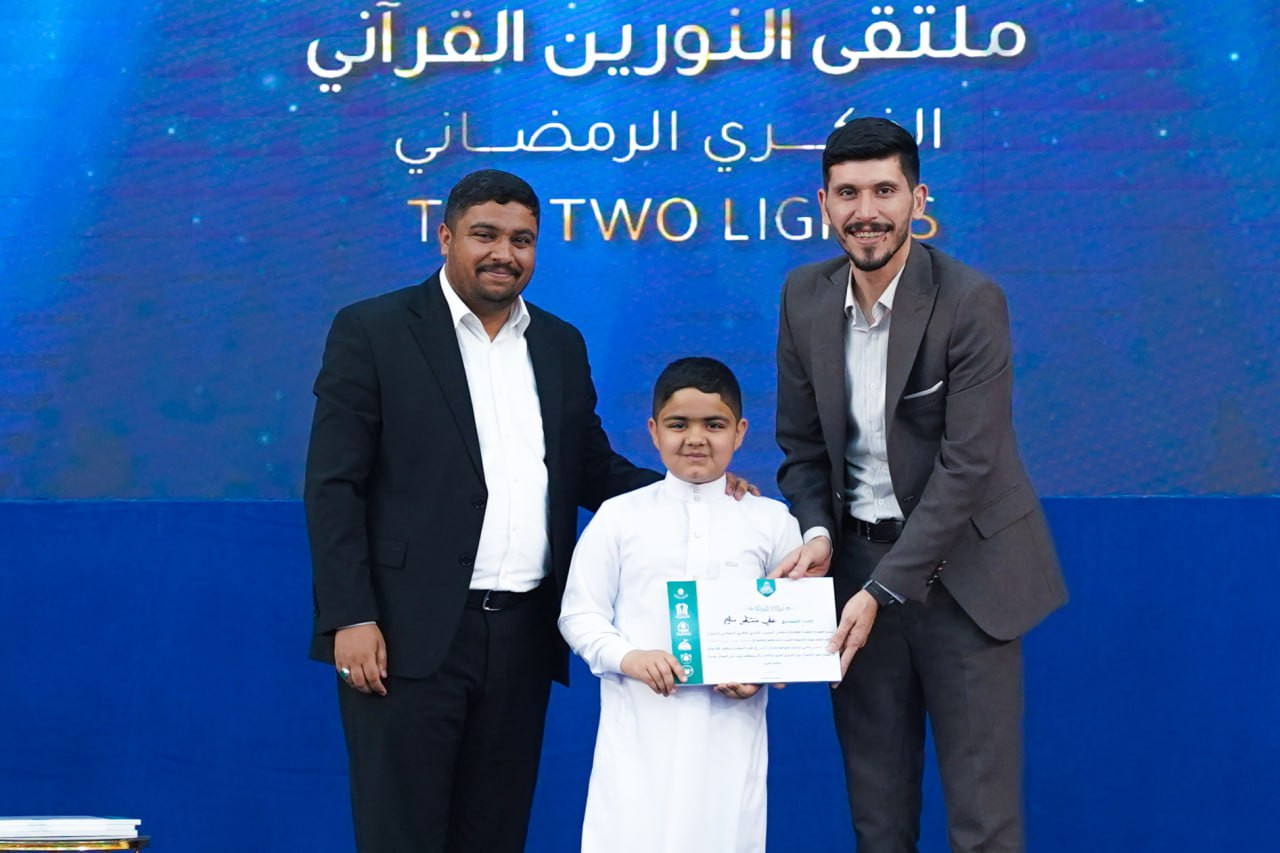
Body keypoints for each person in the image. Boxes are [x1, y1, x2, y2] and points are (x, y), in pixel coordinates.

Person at [304, 171, 755, 852]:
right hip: (403, 634)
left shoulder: (558, 344)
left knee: (496, 833)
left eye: (522, 240)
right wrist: (350, 615)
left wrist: (703, 486)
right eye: (485, 235)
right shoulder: (373, 330)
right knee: (402, 835)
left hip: (521, 636)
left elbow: (592, 468)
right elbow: (334, 485)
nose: (504, 253)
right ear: (446, 236)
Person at [772, 118, 1068, 852]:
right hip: (854, 573)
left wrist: (882, 590)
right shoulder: (803, 295)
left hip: (967, 580)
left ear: (918, 199)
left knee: (983, 825)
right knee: (878, 820)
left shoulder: (970, 299)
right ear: (823, 204)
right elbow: (801, 448)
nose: (865, 211)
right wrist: (817, 532)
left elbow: (968, 467)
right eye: (848, 193)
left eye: (884, 190)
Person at [559, 357, 801, 853]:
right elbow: (579, 613)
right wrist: (629, 657)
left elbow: (793, 626)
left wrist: (760, 671)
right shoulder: (618, 516)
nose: (695, 438)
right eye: (678, 424)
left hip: (730, 734)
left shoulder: (772, 521)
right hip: (638, 730)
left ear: (740, 432)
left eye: (714, 425)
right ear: (653, 431)